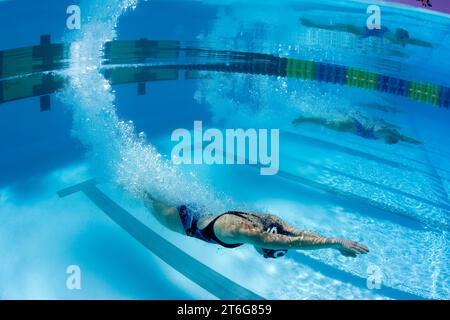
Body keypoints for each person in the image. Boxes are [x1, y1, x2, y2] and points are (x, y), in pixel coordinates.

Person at [142, 191, 369, 259]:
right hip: (186, 222)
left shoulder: (270, 220)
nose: (262, 255)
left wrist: (334, 242)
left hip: (199, 211)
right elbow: (296, 241)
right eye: (266, 254)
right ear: (268, 244)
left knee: (154, 197)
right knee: (148, 201)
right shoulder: (251, 234)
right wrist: (335, 243)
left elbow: (298, 233)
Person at [300, 17, 433, 48]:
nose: (400, 28)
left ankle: (313, 25)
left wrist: (429, 44)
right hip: (366, 31)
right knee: (340, 26)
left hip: (363, 31)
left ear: (402, 35)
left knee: (340, 26)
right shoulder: (392, 35)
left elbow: (413, 41)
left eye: (402, 30)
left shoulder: (394, 37)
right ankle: (314, 25)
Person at [292, 113, 422, 145]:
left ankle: (305, 119)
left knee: (327, 122)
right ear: (391, 138)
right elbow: (401, 137)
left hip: (354, 125)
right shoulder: (382, 132)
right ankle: (304, 118)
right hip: (353, 126)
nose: (388, 144)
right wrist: (416, 142)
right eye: (392, 142)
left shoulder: (384, 131)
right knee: (327, 123)